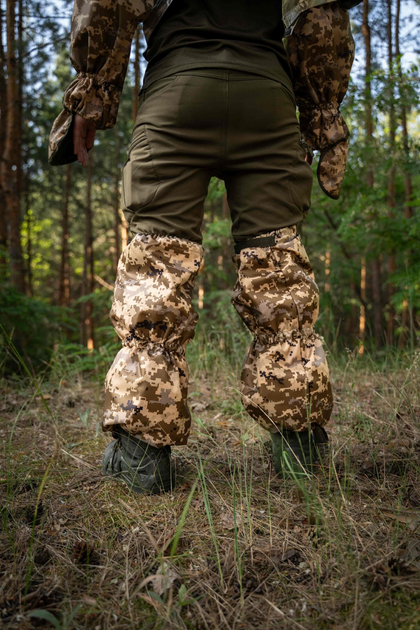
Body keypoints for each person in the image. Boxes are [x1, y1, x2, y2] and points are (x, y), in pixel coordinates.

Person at [49, 0, 360, 493]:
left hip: (178, 92)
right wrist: (319, 114)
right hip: (267, 97)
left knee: (157, 271)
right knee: (278, 271)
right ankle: (300, 451)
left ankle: (142, 458)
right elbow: (322, 15)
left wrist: (92, 94)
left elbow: (107, 4)